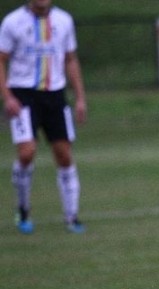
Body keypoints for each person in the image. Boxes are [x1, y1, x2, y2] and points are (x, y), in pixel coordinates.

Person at [0, 0, 87, 234]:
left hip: (55, 96)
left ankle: (72, 217)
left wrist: (79, 97)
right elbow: (1, 60)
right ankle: (23, 209)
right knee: (27, 153)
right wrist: (7, 97)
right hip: (23, 95)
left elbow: (70, 59)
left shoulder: (64, 20)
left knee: (64, 155)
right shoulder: (12, 22)